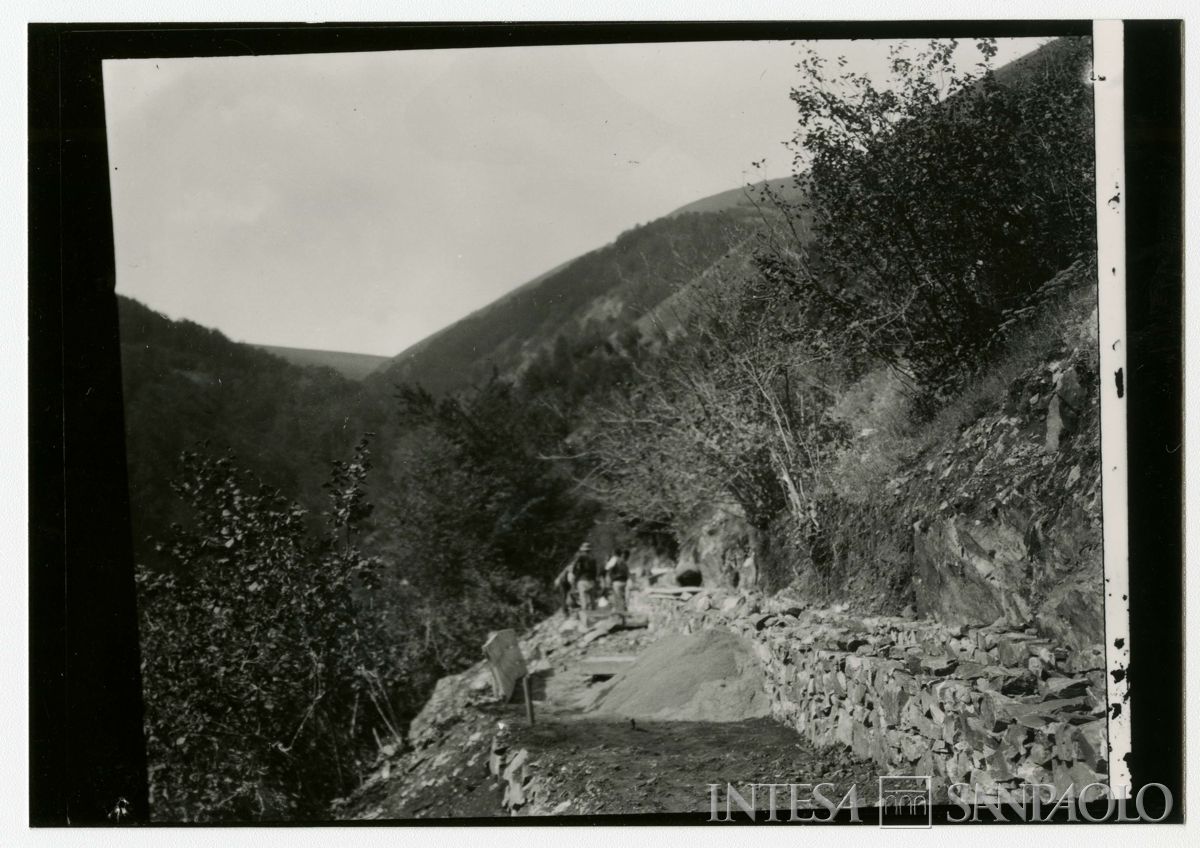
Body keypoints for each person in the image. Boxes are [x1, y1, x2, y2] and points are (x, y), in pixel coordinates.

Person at [569, 541, 598, 613]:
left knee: (583, 600)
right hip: (591, 580)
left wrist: (574, 576)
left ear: (582, 549)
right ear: (589, 550)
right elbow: (595, 571)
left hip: (582, 580)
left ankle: (586, 617)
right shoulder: (593, 558)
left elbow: (574, 567)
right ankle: (594, 615)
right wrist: (594, 580)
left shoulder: (580, 557)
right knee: (592, 600)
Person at [605, 548, 631, 613]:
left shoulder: (615, 559)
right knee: (622, 597)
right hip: (624, 581)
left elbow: (607, 568)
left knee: (618, 598)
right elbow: (627, 572)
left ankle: (621, 613)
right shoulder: (624, 562)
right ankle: (624, 611)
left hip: (617, 581)